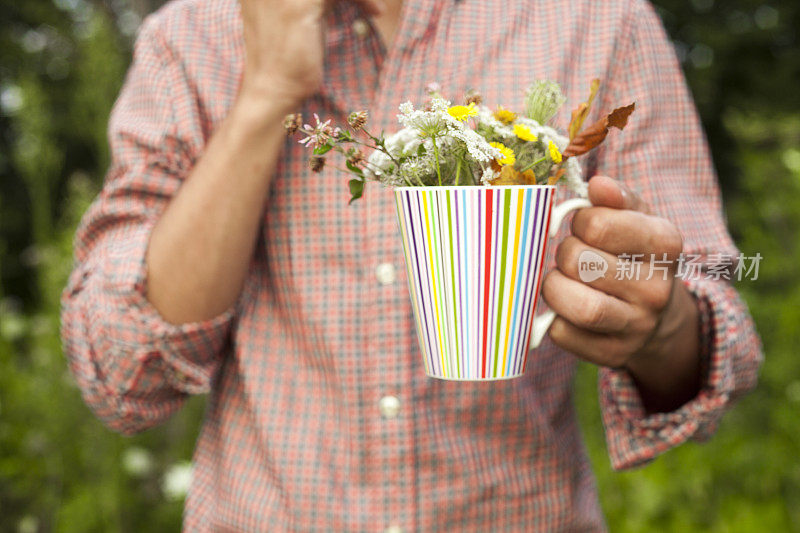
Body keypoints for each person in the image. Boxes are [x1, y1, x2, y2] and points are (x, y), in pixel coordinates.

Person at [60, 0, 763, 530]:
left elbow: (717, 317)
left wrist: (663, 325)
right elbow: (123, 372)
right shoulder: (190, 38)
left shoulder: (598, 19)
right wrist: (264, 95)